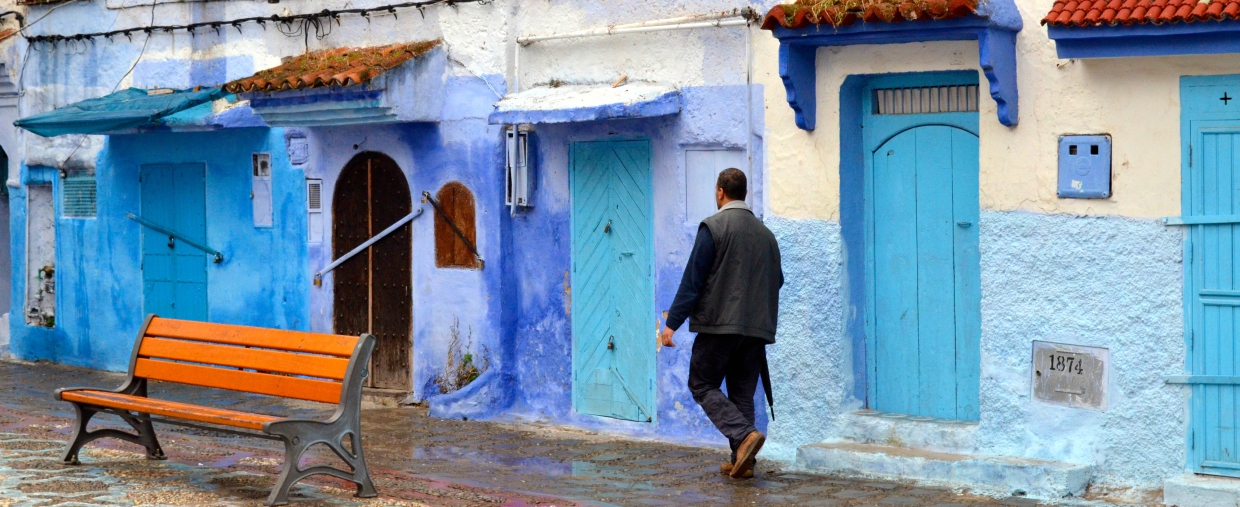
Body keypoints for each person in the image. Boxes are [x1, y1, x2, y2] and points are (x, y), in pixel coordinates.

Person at [659, 168, 783, 480]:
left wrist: (671, 324)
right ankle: (744, 462)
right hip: (756, 330)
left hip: (719, 326)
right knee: (742, 394)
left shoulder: (713, 227)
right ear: (744, 193)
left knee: (701, 383)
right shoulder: (767, 236)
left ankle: (743, 439)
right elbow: (777, 281)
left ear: (720, 192)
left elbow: (693, 280)